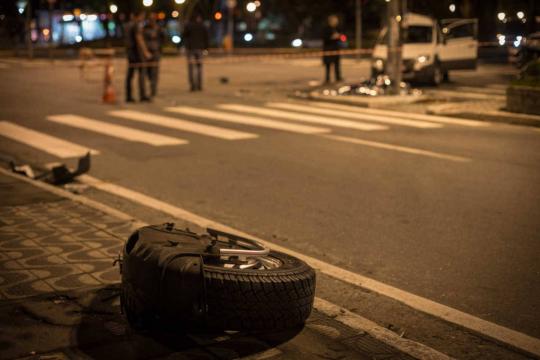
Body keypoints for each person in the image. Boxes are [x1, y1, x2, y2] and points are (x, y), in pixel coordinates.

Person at [125, 11, 151, 102]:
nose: (143, 18)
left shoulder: (127, 25)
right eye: (142, 16)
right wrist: (146, 52)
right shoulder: (136, 25)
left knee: (130, 75)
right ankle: (142, 95)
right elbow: (139, 39)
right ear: (139, 16)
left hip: (130, 53)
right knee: (141, 74)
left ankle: (128, 96)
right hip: (137, 54)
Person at [183, 14, 209, 91]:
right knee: (199, 68)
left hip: (191, 48)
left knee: (191, 68)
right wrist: (206, 47)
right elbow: (206, 37)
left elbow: (184, 35)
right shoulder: (202, 25)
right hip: (199, 48)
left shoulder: (189, 25)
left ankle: (193, 85)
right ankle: (199, 85)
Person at [143, 14, 165, 98]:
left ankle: (153, 89)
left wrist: (160, 47)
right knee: (148, 71)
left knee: (154, 72)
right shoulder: (145, 28)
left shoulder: (159, 28)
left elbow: (163, 38)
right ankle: (150, 84)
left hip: (156, 51)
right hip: (147, 52)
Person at [322, 15, 343, 83]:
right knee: (328, 65)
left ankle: (338, 77)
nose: (336, 22)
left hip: (336, 49)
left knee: (337, 64)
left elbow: (342, 37)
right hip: (328, 49)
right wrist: (332, 37)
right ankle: (327, 78)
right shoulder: (326, 29)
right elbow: (324, 38)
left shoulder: (337, 28)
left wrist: (340, 37)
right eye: (335, 20)